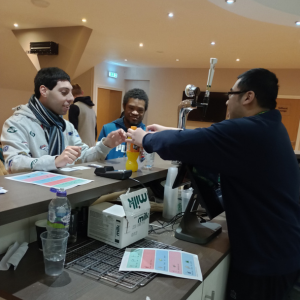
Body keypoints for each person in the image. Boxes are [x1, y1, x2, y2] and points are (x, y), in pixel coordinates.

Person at [127, 68, 300, 300]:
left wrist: (145, 139)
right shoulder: (269, 127)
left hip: (264, 257)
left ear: (248, 97)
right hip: (282, 247)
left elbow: (205, 139)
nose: (228, 99)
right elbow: (208, 137)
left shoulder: (246, 130)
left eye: (231, 93)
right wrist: (170, 130)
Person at [1, 67, 126, 174]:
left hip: (64, 191)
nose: (71, 98)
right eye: (64, 92)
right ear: (44, 91)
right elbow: (14, 164)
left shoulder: (66, 126)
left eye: (71, 92)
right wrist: (55, 161)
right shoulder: (16, 123)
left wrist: (106, 145)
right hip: (31, 197)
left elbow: (82, 156)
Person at [98, 88, 148, 160]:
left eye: (140, 110)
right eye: (131, 108)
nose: (135, 113)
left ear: (144, 111)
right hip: (110, 171)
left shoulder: (146, 134)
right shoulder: (108, 129)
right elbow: (98, 158)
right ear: (124, 106)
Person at [68, 83, 97, 148]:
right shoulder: (91, 109)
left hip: (80, 148)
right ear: (82, 92)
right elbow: (95, 131)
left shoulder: (74, 107)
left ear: (71, 95)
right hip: (92, 148)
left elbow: (73, 130)